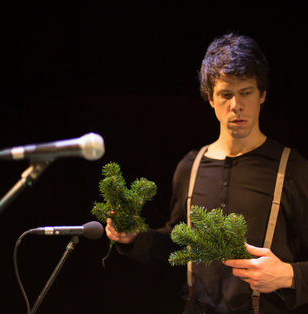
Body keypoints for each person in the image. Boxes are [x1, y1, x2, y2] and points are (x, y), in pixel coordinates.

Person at [105, 33, 308, 313]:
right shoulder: (192, 165)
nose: (236, 105)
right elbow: (177, 242)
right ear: (210, 99)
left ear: (262, 94)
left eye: (246, 92)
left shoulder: (293, 169)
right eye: (225, 94)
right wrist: (132, 239)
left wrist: (289, 275)